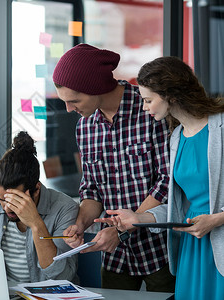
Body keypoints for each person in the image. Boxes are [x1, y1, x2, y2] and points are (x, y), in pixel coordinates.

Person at [95, 56, 224, 300]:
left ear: (171, 95)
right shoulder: (176, 137)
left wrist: (216, 220)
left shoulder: (221, 127)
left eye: (148, 100)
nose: (144, 107)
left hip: (218, 241)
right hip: (193, 248)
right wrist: (138, 218)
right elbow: (180, 206)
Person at [52, 43, 175, 292]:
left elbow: (168, 181)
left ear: (96, 87)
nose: (69, 109)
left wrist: (122, 229)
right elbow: (92, 189)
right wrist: (81, 223)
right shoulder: (85, 127)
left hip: (160, 250)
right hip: (114, 257)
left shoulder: (150, 109)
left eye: (74, 100)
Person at [0, 131, 79, 283]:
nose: (6, 208)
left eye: (15, 200)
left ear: (36, 189)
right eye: (2, 199)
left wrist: (35, 223)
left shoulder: (64, 209)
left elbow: (62, 276)